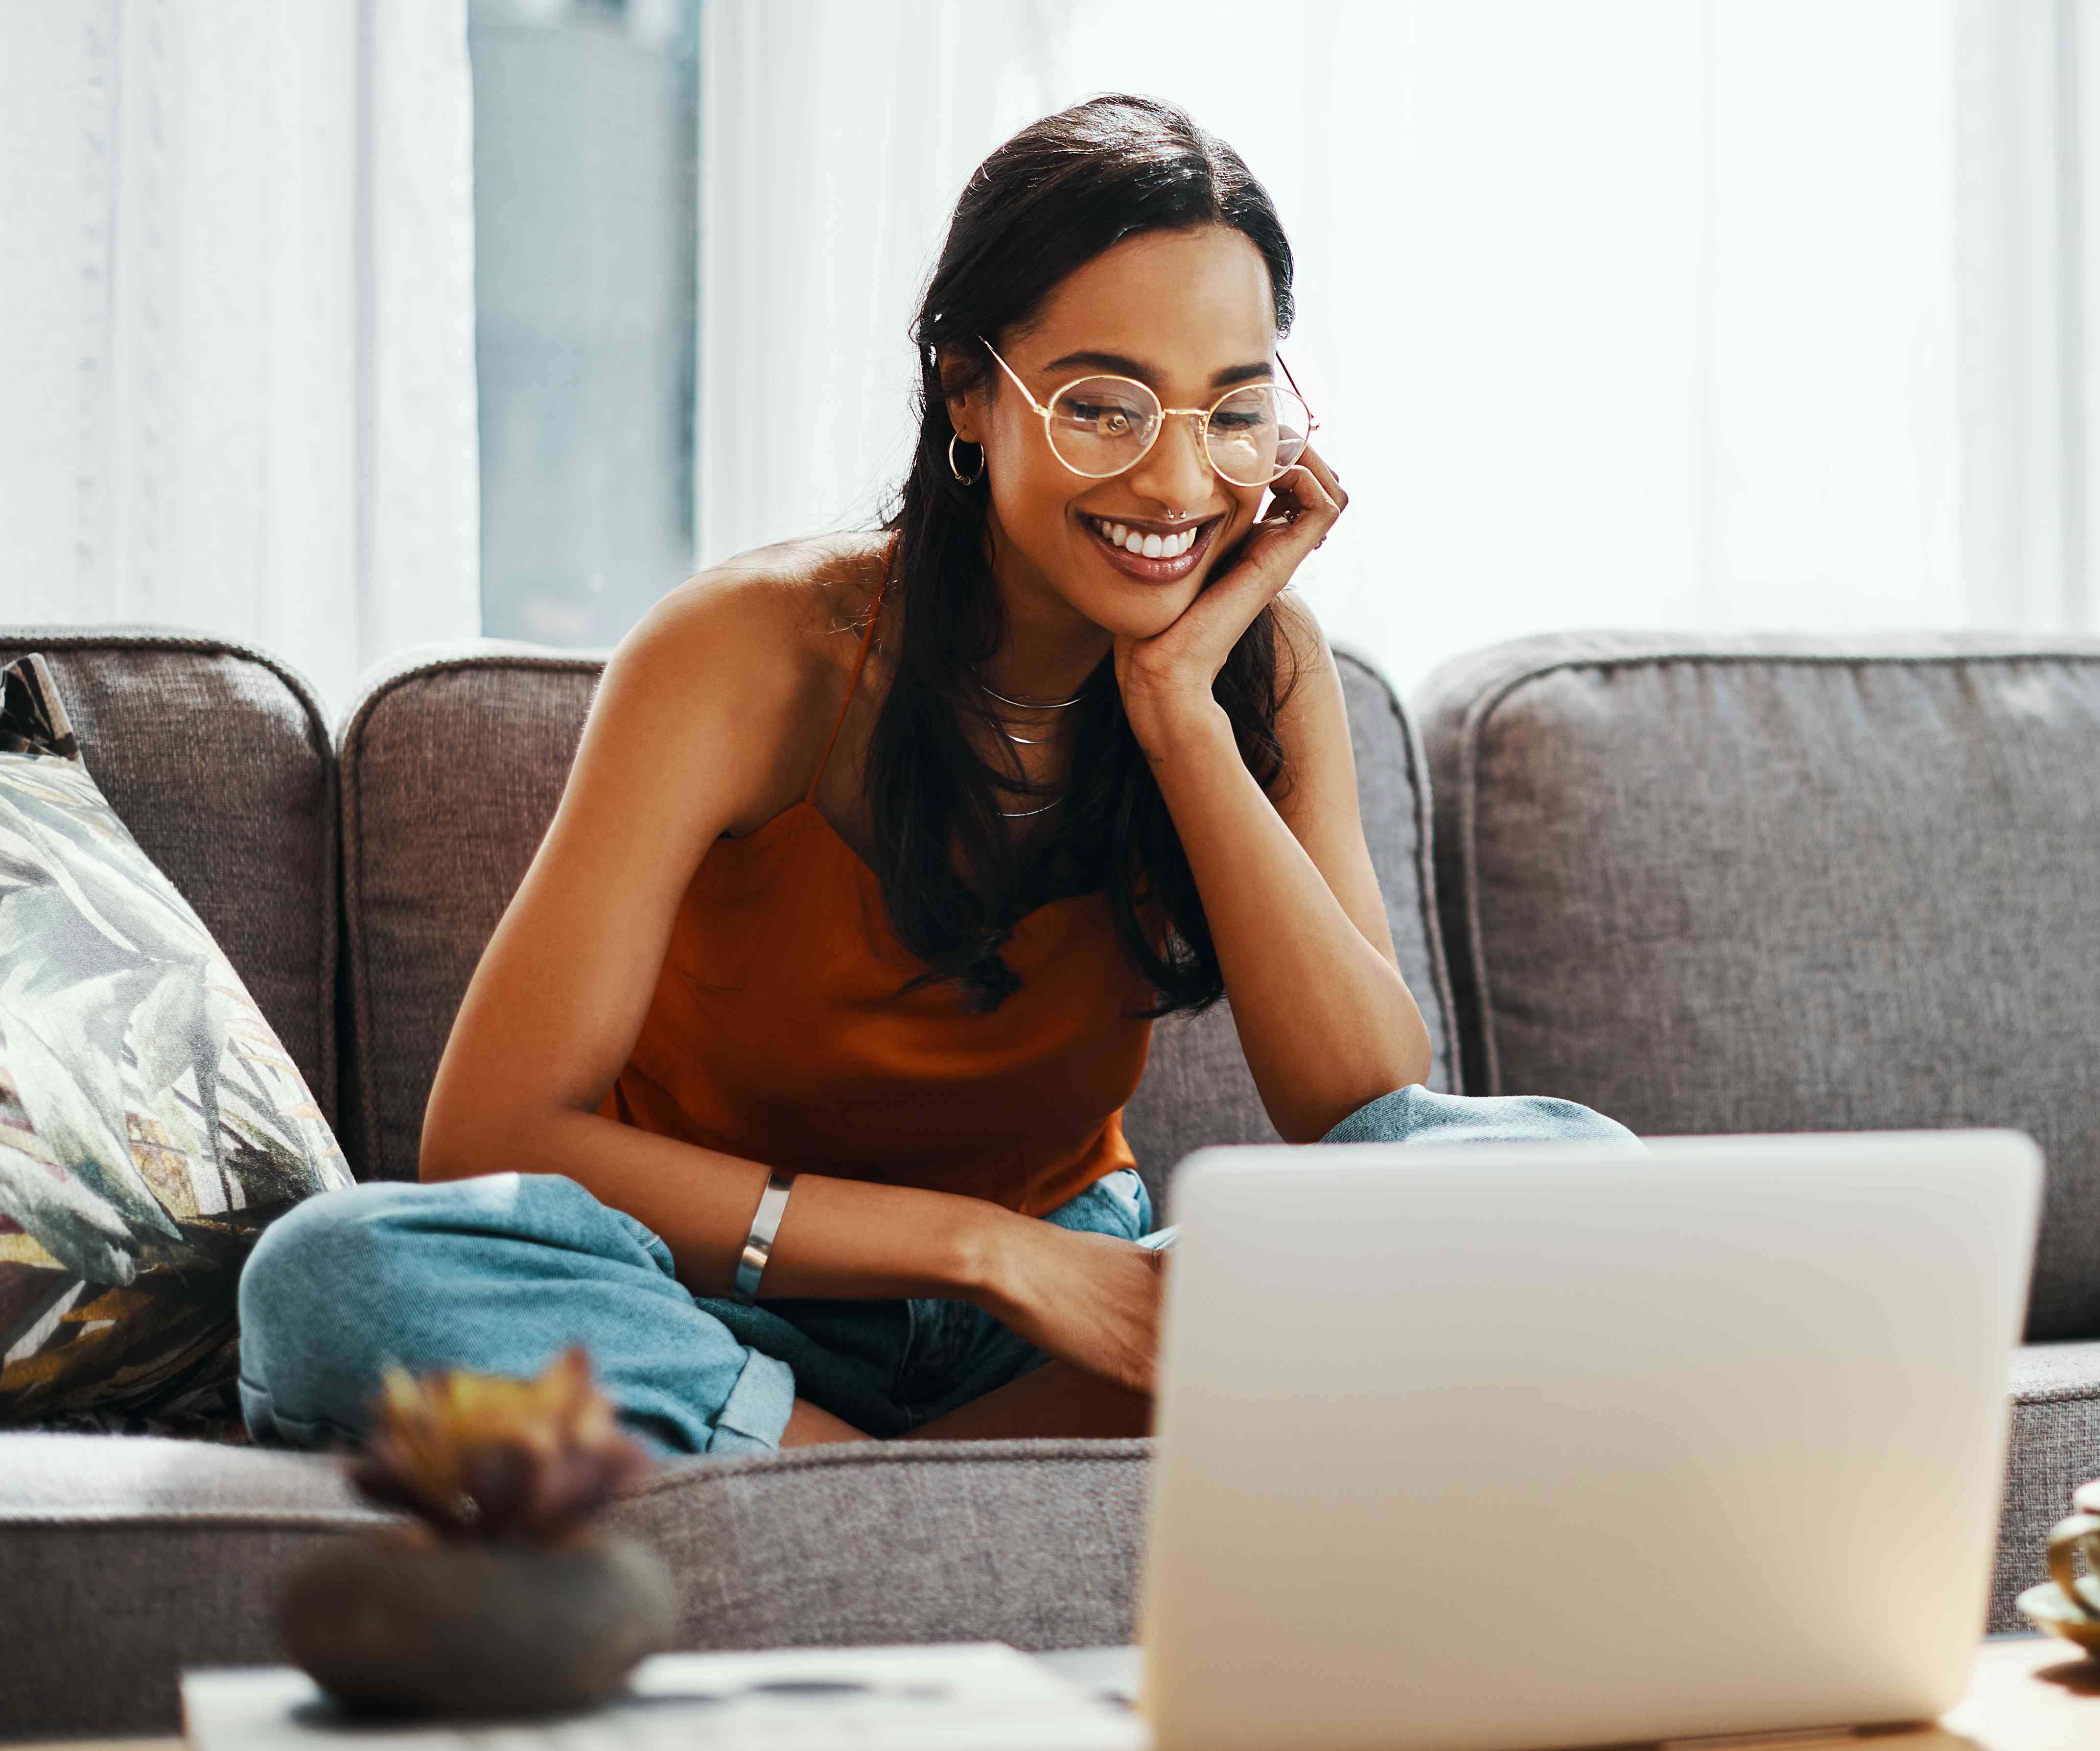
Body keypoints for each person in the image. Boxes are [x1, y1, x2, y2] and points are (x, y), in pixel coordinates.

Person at [236, 93, 1633, 1459]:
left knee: (1568, 1176)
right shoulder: (748, 654)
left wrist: (1178, 712)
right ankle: (854, 1470)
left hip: (1077, 1328)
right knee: (329, 1275)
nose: (1176, 482)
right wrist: (986, 1251)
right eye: (1105, 407)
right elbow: (491, 1128)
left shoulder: (1254, 665)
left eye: (1233, 414)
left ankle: (840, 1472)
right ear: (968, 388)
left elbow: (1363, 1099)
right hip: (720, 1301)